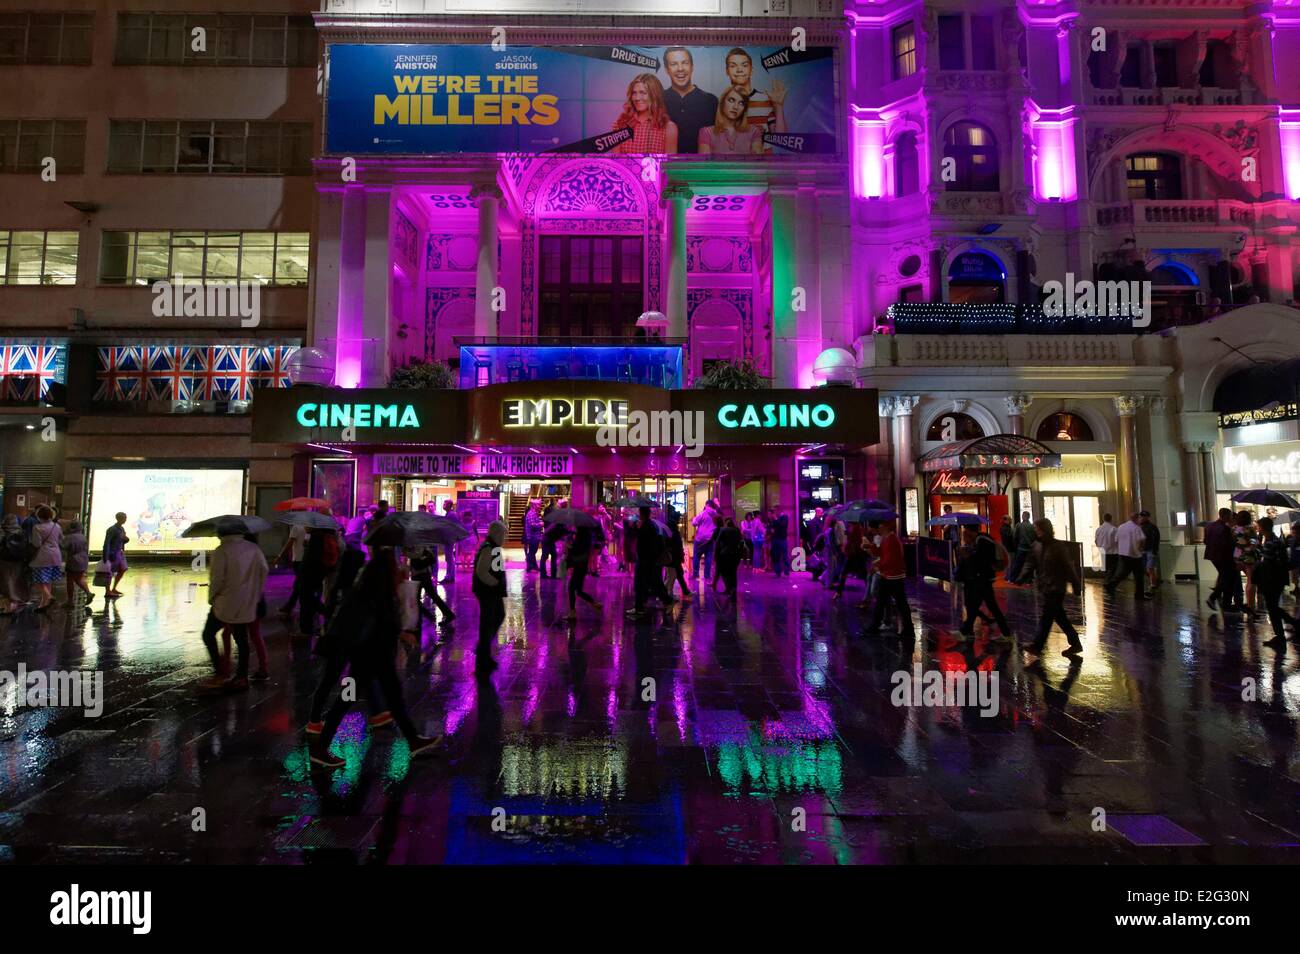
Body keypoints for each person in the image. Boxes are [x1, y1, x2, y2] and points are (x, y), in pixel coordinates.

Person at [308, 546, 441, 767]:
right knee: (347, 700)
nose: (397, 567)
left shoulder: (375, 589)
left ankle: (413, 739)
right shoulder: (374, 593)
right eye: (393, 564)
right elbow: (381, 624)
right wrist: (401, 632)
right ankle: (321, 748)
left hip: (373, 658)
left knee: (391, 698)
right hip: (368, 659)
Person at [198, 529, 268, 691]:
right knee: (242, 639)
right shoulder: (253, 548)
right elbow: (264, 570)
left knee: (208, 634)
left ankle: (220, 672)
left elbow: (217, 578)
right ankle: (241, 677)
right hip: (247, 602)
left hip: (225, 602)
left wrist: (211, 597)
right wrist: (255, 592)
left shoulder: (221, 551)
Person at [1019, 518, 1084, 658]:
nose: (1036, 531)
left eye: (1037, 528)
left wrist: (1075, 583)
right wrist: (1022, 576)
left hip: (1056, 586)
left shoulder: (1057, 546)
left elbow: (1068, 566)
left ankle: (1037, 646)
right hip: (1045, 586)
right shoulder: (1037, 545)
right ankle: (1075, 642)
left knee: (1047, 616)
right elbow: (1030, 562)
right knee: (1059, 616)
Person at [722, 47, 786, 154]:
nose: (739, 70)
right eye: (733, 65)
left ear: (751, 70)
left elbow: (781, 138)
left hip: (765, 165)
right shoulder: (722, 103)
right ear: (727, 71)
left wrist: (778, 106)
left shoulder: (766, 99)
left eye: (744, 65)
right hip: (736, 164)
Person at [956, 524, 1012, 641]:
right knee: (987, 606)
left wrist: (967, 555)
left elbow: (981, 560)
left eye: (965, 533)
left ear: (971, 532)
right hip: (983, 579)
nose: (964, 535)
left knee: (977, 605)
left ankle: (965, 631)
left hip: (982, 579)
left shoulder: (982, 541)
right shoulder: (982, 540)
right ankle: (1006, 633)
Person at [861, 519, 914, 637]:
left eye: (880, 526)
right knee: (883, 601)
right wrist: (870, 546)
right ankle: (876, 626)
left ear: (885, 526)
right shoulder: (887, 538)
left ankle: (908, 629)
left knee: (900, 603)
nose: (878, 528)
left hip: (894, 576)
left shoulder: (891, 539)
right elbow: (881, 553)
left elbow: (890, 559)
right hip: (889, 575)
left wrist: (877, 566)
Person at [1253, 516, 1298, 650]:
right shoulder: (1273, 540)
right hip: (1275, 577)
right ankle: (1289, 625)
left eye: (1259, 527)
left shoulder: (1272, 541)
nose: (1258, 529)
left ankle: (1280, 634)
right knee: (1272, 606)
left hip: (1272, 577)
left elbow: (1269, 559)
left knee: (1272, 606)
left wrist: (1259, 549)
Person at [662, 46, 717, 154]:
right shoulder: (658, 100)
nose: (680, 68)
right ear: (666, 70)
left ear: (692, 66)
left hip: (701, 167)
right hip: (666, 167)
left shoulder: (710, 101)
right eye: (674, 64)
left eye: (685, 63)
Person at [611, 73, 679, 154]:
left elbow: (668, 165)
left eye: (643, 93)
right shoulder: (620, 124)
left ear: (654, 95)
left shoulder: (669, 128)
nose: (637, 98)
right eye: (634, 93)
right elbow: (616, 163)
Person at [473, 520, 508, 673]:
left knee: (497, 616)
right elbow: (481, 571)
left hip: (492, 591)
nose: (504, 538)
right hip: (488, 591)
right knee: (489, 621)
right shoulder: (489, 548)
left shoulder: (493, 547)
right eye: (503, 535)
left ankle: (483, 648)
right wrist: (494, 582)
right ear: (497, 534)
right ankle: (482, 655)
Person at [698, 84, 766, 156]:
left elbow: (757, 162)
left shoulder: (754, 131)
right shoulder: (706, 132)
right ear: (722, 103)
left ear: (744, 109)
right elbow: (705, 165)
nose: (735, 107)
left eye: (741, 103)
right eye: (731, 100)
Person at [631, 506, 674, 617]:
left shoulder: (647, 526)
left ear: (642, 513)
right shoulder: (649, 525)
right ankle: (639, 606)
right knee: (645, 583)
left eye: (639, 512)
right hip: (646, 559)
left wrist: (637, 529)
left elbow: (645, 542)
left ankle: (667, 601)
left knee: (648, 583)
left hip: (646, 559)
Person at [406, 544, 454, 625]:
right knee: (433, 596)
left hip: (419, 574)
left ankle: (428, 616)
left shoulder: (415, 544)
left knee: (415, 598)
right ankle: (447, 614)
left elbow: (415, 555)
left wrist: (407, 551)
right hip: (424, 573)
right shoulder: (421, 542)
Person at [1105, 512, 1148, 600]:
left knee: (1122, 573)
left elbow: (1116, 540)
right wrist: (1141, 549)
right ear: (1136, 518)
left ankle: (1111, 585)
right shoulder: (1136, 528)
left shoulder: (1121, 527)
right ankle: (1139, 595)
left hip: (1123, 554)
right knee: (1139, 576)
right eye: (1139, 518)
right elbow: (1142, 540)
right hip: (1135, 555)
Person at [27, 506, 62, 610]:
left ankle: (49, 596)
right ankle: (44, 603)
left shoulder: (37, 528)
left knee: (39, 580)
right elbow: (61, 540)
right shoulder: (57, 526)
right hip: (56, 555)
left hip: (43, 556)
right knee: (48, 580)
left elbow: (37, 544)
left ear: (39, 516)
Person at [1204, 507, 1240, 611]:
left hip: (1212, 556)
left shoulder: (1209, 526)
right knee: (1228, 579)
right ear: (1226, 516)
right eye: (1230, 516)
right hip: (1224, 557)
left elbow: (1206, 541)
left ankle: (1220, 600)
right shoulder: (1225, 528)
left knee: (1224, 577)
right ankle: (1219, 600)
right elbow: (1228, 544)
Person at [563, 525, 601, 621]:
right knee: (578, 590)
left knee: (572, 588)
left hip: (578, 566)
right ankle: (594, 603)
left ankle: (572, 612)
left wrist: (569, 546)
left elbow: (575, 551)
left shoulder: (580, 539)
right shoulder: (586, 538)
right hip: (582, 566)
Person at [1232, 510, 1262, 618]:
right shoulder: (1249, 529)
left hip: (1237, 555)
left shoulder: (1234, 529)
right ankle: (1251, 606)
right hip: (1249, 555)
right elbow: (1254, 542)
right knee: (1251, 580)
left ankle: (1243, 603)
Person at [277, 519, 308, 617]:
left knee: (299, 585)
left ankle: (290, 607)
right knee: (299, 584)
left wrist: (280, 556)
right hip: (306, 560)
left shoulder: (296, 527)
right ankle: (290, 606)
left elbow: (289, 544)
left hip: (298, 560)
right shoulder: (310, 528)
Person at [0, 514, 28, 613]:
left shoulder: (2, 531)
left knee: (6, 580)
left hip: (5, 560)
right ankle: (17, 599)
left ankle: (10, 603)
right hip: (18, 559)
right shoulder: (21, 531)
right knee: (16, 579)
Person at [61, 520, 93, 608]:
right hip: (83, 559)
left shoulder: (70, 537)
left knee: (70, 580)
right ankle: (88, 593)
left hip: (73, 560)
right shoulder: (82, 537)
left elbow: (63, 546)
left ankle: (70, 601)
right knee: (79, 578)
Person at [102, 511, 129, 598]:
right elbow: (107, 543)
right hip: (112, 553)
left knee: (123, 569)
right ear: (119, 519)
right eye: (124, 518)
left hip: (119, 552)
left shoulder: (121, 529)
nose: (125, 520)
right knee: (109, 572)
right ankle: (107, 591)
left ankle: (114, 588)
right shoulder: (112, 529)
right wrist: (106, 556)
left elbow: (123, 540)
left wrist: (125, 539)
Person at [664, 509, 691, 597]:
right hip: (674, 558)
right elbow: (676, 546)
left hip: (673, 557)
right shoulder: (674, 532)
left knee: (674, 575)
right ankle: (664, 594)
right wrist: (680, 555)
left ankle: (668, 594)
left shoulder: (670, 531)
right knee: (672, 576)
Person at [714, 517, 743, 596]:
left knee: (725, 572)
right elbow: (741, 541)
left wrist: (716, 554)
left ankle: (728, 588)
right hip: (735, 554)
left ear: (726, 523)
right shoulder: (737, 530)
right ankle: (734, 589)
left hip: (725, 553)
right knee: (733, 572)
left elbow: (717, 542)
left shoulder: (723, 530)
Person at [691, 500, 718, 582]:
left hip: (700, 538)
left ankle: (695, 574)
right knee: (709, 557)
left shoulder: (703, 513)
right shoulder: (716, 514)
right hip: (710, 538)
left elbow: (694, 523)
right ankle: (707, 575)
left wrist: (694, 518)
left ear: (707, 505)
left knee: (696, 556)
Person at [1007, 512, 1036, 584]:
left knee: (1017, 564)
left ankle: (1013, 579)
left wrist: (1016, 545)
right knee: (1029, 565)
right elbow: (1034, 537)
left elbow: (1015, 536)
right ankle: (1029, 581)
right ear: (1029, 517)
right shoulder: (1032, 526)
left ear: (1023, 516)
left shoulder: (1019, 525)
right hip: (1029, 549)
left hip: (1021, 548)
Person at [541, 508, 567, 580]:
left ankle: (553, 574)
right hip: (547, 540)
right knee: (545, 556)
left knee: (554, 555)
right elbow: (547, 531)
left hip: (551, 540)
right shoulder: (557, 523)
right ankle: (543, 574)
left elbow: (564, 532)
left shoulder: (561, 524)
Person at [1139, 510, 1161, 590]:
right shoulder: (1140, 527)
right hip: (1144, 550)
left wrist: (1154, 549)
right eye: (1141, 516)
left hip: (1150, 550)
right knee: (1145, 568)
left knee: (1149, 568)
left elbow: (1156, 538)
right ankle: (1155, 580)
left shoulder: (1151, 527)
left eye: (1143, 516)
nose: (1141, 518)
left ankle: (1153, 584)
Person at [440, 501, 462, 582]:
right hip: (449, 538)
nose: (443, 505)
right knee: (449, 558)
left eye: (445, 504)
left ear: (449, 505)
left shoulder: (451, 515)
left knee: (449, 558)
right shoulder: (449, 514)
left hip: (449, 538)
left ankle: (449, 576)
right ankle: (450, 576)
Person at [1094, 513, 1119, 581]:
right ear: (1111, 519)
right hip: (1112, 552)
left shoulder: (1098, 529)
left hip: (1102, 552)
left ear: (1103, 519)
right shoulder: (1114, 529)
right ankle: (1109, 582)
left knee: (1106, 569)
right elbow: (1117, 541)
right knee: (1113, 569)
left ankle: (1107, 581)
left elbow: (1096, 541)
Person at [769, 505, 790, 577]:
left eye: (775, 510)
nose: (774, 512)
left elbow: (781, 525)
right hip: (775, 539)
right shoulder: (775, 518)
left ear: (779, 510)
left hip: (782, 539)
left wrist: (775, 519)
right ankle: (778, 571)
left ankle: (786, 571)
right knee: (776, 555)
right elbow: (772, 527)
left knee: (785, 556)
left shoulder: (785, 517)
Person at [999, 515, 1017, 582]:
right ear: (1005, 520)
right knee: (1010, 563)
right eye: (1009, 519)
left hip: (1007, 547)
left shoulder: (1005, 528)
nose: (1011, 521)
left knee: (1009, 563)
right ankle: (1009, 577)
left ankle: (1007, 577)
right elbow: (1008, 538)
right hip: (1009, 548)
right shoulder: (1006, 528)